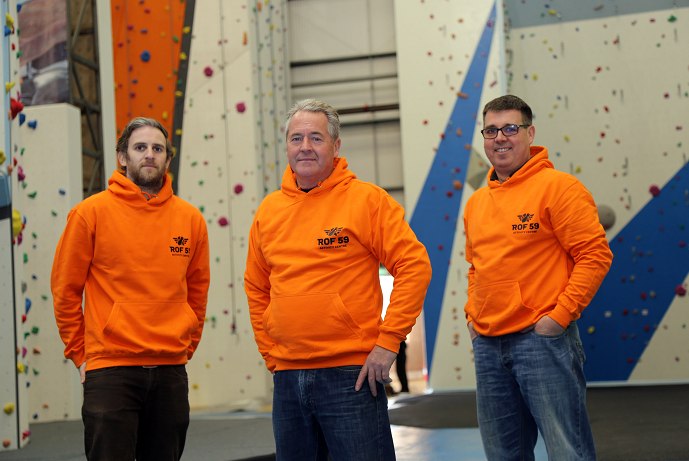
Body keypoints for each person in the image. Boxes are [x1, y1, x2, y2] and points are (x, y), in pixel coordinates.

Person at [245, 99, 432, 460]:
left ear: (335, 145)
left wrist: (389, 341)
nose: (305, 146)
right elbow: (256, 285)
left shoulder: (367, 201)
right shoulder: (268, 211)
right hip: (287, 376)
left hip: (351, 374)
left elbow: (414, 265)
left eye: (316, 137)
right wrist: (271, 353)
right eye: (296, 138)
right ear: (286, 146)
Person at [463, 94, 613, 461]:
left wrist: (558, 317)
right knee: (503, 454)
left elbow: (595, 255)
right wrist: (472, 315)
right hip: (487, 344)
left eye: (511, 129)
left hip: (541, 341)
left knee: (567, 451)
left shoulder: (560, 188)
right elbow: (476, 266)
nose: (500, 138)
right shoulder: (477, 203)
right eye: (491, 130)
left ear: (530, 134)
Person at [51, 117, 210, 461]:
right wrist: (80, 354)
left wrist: (186, 346)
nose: (149, 155)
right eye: (140, 148)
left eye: (157, 149)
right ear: (123, 157)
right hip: (110, 370)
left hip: (170, 371)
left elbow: (197, 292)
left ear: (168, 159)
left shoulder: (191, 219)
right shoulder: (89, 214)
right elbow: (65, 290)